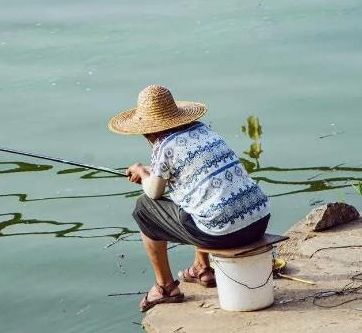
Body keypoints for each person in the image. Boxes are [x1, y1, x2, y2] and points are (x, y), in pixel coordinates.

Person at [107, 85, 271, 312]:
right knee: (198, 195)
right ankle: (201, 268)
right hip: (258, 221)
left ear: (148, 131)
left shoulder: (163, 145)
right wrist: (150, 172)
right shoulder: (203, 130)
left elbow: (154, 192)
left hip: (224, 234)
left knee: (144, 209)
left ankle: (165, 287)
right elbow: (189, 176)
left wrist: (143, 173)